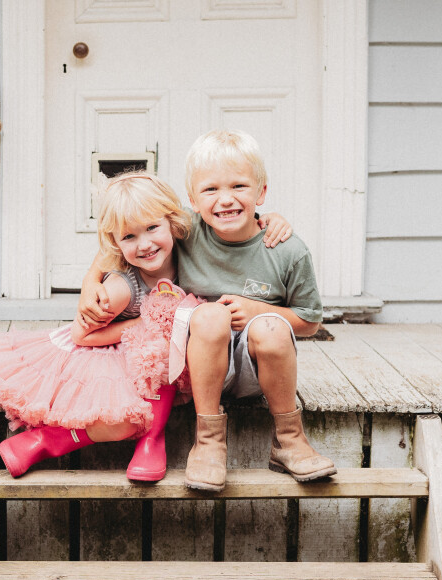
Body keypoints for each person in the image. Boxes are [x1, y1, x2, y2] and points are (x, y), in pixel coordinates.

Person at [0, 171, 292, 482]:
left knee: (168, 344)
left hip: (164, 359)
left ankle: (148, 439)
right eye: (129, 237)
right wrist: (144, 322)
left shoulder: (188, 249)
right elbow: (82, 335)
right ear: (116, 243)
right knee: (123, 419)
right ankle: (52, 441)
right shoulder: (121, 289)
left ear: (173, 223)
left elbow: (228, 222)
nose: (145, 244)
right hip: (112, 355)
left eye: (152, 228)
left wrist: (269, 219)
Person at [79, 130, 336, 492]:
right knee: (211, 314)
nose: (225, 199)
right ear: (193, 201)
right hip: (193, 367)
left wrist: (258, 310)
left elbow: (309, 322)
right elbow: (126, 230)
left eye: (239, 186)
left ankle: (289, 440)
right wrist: (90, 281)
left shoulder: (287, 250)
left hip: (255, 370)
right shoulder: (188, 230)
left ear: (261, 192)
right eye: (211, 189)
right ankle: (209, 442)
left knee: (272, 327)